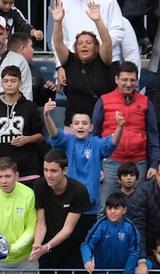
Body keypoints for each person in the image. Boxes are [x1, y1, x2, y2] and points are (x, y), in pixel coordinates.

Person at [91, 62, 159, 204]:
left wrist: (153, 165)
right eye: (124, 80)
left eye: (132, 80)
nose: (128, 84)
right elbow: (95, 136)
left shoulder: (146, 102)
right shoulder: (104, 101)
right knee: (106, 207)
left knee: (138, 207)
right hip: (111, 162)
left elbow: (153, 135)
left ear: (137, 80)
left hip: (139, 163)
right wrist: (96, 165)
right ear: (117, 79)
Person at [45, 99, 122, 211]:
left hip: (90, 201)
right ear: (71, 127)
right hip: (70, 200)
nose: (80, 126)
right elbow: (54, 134)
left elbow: (112, 143)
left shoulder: (96, 143)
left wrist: (120, 127)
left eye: (84, 123)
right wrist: (47, 116)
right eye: (76, 123)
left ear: (91, 127)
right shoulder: (68, 141)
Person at [51, 1, 114, 121]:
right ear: (76, 48)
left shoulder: (103, 60)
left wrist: (98, 21)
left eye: (88, 43)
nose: (84, 45)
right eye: (80, 43)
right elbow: (58, 44)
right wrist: (58, 22)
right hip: (74, 123)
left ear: (96, 47)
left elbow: (107, 44)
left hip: (101, 121)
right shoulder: (70, 60)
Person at [0, 66, 45, 181]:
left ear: (20, 83)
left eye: (13, 81)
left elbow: (40, 135)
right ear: (1, 83)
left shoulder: (30, 107)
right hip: (3, 170)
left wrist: (27, 139)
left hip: (27, 169)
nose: (9, 84)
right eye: (6, 81)